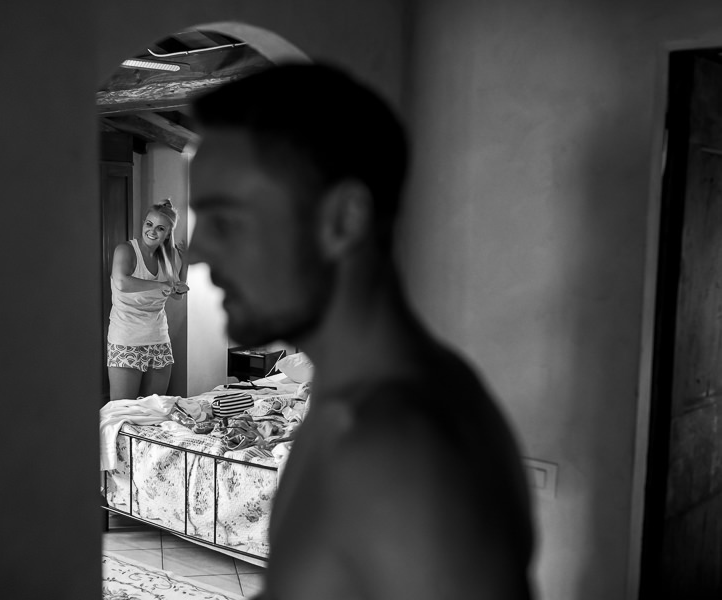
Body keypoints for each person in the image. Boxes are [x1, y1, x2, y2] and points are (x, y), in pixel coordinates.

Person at [188, 64, 534, 599]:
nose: (198, 252)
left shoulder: (401, 453)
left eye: (225, 221)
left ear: (343, 220)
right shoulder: (348, 401)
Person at [107, 199, 188, 400]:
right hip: (126, 339)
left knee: (154, 410)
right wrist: (160, 285)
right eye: (149, 224)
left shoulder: (171, 256)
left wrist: (184, 264)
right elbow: (122, 283)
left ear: (168, 233)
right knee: (122, 412)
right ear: (143, 223)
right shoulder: (125, 250)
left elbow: (176, 295)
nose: (152, 231)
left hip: (159, 339)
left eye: (160, 228)